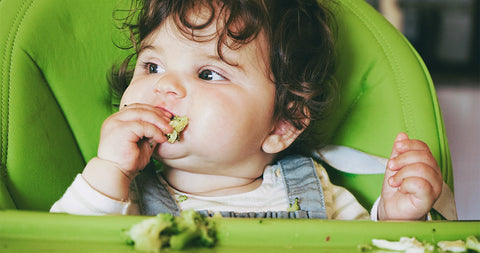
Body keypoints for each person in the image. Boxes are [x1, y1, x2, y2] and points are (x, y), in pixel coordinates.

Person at [50, 0, 443, 220]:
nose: (164, 85)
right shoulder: (121, 195)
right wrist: (109, 169)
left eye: (208, 73)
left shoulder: (315, 193)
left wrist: (397, 217)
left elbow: (366, 247)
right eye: (152, 66)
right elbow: (61, 245)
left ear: (282, 124)